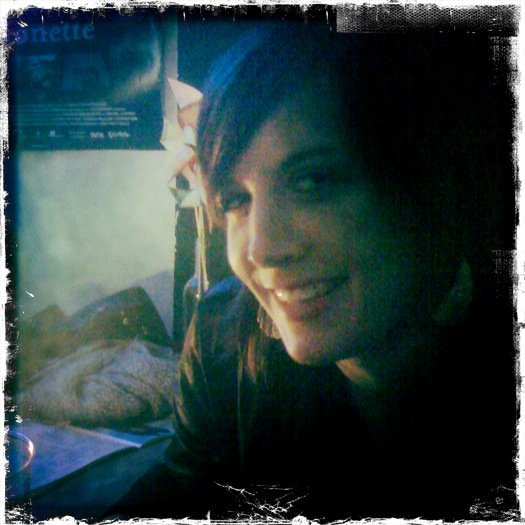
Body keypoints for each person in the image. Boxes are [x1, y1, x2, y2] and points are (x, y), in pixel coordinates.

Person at [111, 22, 517, 521]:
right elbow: (184, 487)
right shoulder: (222, 342)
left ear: (426, 184)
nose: (261, 249)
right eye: (234, 199)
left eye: (313, 181)